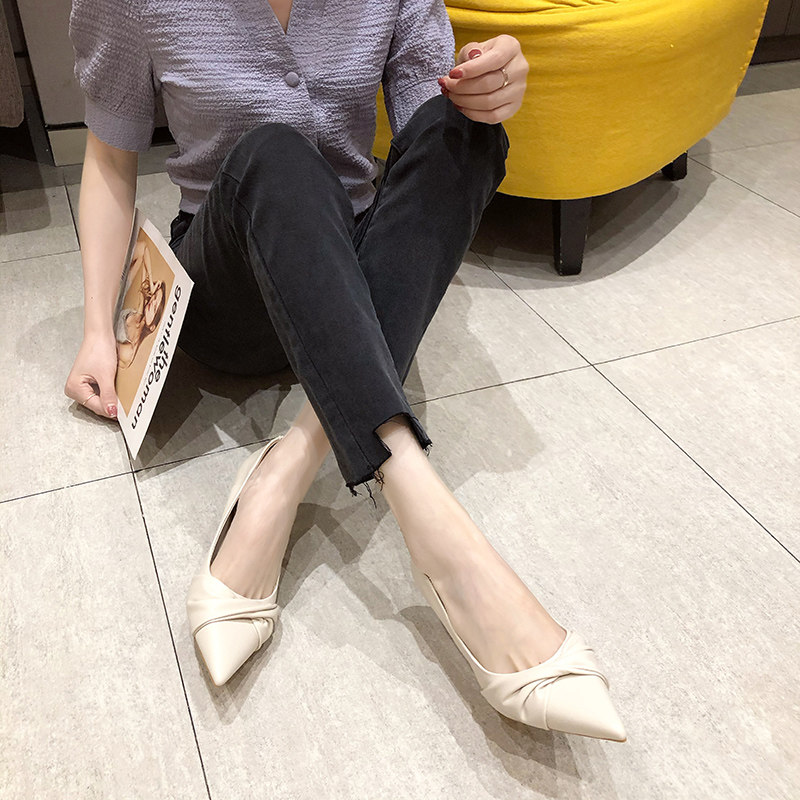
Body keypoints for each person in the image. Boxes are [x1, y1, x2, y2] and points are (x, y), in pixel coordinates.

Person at [64, 0, 625, 741]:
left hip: (353, 274)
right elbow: (109, 161)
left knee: (464, 131)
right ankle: (444, 542)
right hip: (232, 281)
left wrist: (491, 89)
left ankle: (288, 465)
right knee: (275, 152)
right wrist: (97, 330)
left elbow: (431, 119)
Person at [115, 240, 166, 369]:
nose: (152, 302)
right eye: (154, 298)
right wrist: (152, 283)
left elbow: (102, 347)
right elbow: (143, 248)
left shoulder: (130, 350)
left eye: (155, 307)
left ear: (152, 326)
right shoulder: (140, 311)